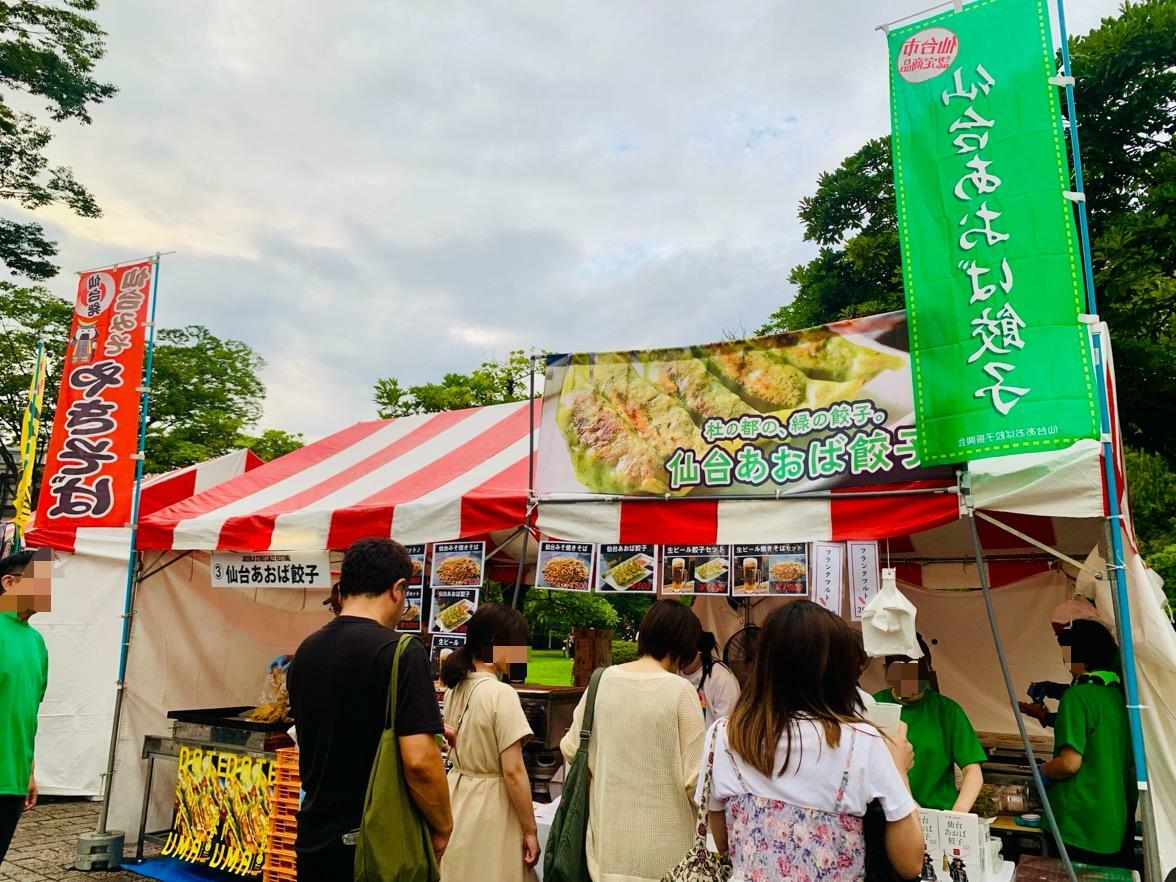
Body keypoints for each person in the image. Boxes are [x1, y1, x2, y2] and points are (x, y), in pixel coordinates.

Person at [703, 601, 923, 881]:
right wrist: (898, 770)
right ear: (838, 668)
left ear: (762, 662)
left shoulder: (724, 735)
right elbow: (910, 863)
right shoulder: (862, 742)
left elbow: (724, 843)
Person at [288, 538, 453, 881]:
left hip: (314, 841)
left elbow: (330, 727)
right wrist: (443, 826)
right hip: (373, 847)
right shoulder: (402, 651)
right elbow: (420, 762)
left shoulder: (306, 650)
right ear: (397, 589)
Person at [560, 599, 706, 882]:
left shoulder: (601, 681)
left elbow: (571, 749)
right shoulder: (681, 691)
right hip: (667, 855)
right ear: (683, 645)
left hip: (606, 849)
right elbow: (695, 781)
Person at [440, 603, 539, 882]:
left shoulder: (455, 687)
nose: (522, 652)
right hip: (492, 806)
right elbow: (513, 771)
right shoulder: (501, 694)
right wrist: (530, 830)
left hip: (457, 796)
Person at [1039, 620, 1135, 868]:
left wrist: (1043, 770)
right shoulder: (1120, 696)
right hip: (1114, 820)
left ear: (1077, 653)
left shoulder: (1077, 696)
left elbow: (1070, 763)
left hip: (1077, 823)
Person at [874, 634, 986, 812]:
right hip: (889, 815)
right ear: (886, 670)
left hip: (939, 813)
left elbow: (972, 771)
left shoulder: (947, 710)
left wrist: (956, 817)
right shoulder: (875, 706)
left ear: (928, 669)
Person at [0, 551, 49, 866]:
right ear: (9, 583)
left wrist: (29, 772)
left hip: (13, 779)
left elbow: (28, 712)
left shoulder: (37, 643)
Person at [678, 630, 741, 728]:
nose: (679, 657)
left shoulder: (722, 680)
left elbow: (726, 729)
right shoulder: (673, 673)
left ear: (699, 650)